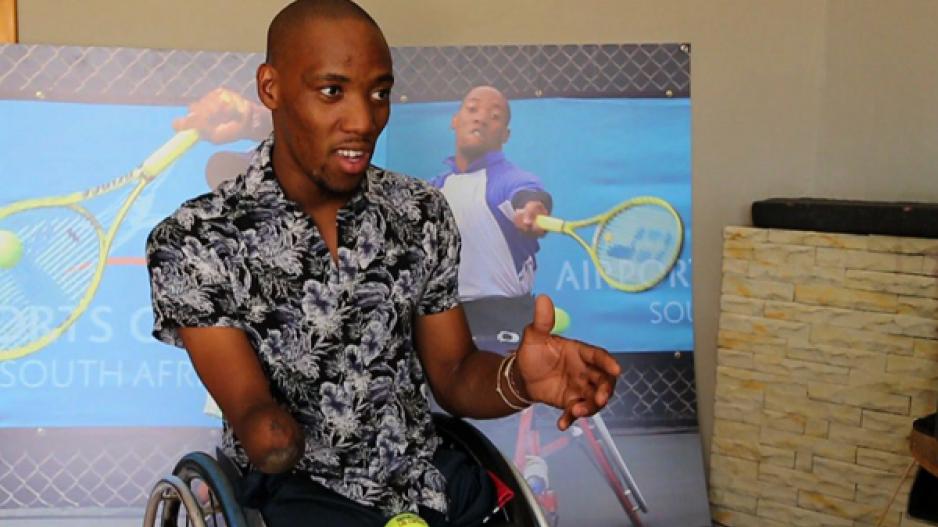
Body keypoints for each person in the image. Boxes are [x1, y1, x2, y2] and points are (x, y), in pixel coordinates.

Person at [145, 1, 620, 526]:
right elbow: (251, 408)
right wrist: (264, 430)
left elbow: (455, 375)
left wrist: (519, 379)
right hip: (299, 494)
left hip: (426, 482)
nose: (363, 120)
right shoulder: (196, 239)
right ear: (271, 88)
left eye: (379, 94)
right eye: (333, 91)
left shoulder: (419, 212)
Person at [430, 87, 552, 347]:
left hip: (502, 322)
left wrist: (533, 209)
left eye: (494, 116)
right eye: (472, 109)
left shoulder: (509, 179)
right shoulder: (434, 189)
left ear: (505, 135)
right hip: (445, 319)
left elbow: (529, 196)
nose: (481, 118)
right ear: (455, 120)